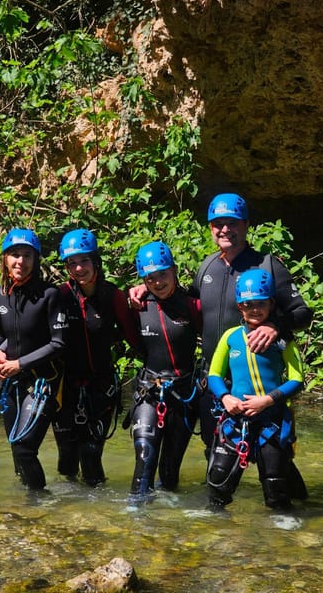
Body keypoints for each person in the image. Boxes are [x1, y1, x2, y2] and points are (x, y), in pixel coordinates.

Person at [129, 193, 313, 460]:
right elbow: (180, 301)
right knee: (215, 454)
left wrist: (275, 325)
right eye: (218, 223)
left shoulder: (268, 266)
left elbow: (303, 313)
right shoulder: (207, 266)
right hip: (214, 382)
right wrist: (144, 289)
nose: (225, 229)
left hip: (260, 383)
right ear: (210, 228)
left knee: (274, 460)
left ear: (246, 225)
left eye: (232, 222)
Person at [206, 268, 307, 510]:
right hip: (236, 418)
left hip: (271, 420)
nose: (255, 309)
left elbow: (297, 379)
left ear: (272, 303)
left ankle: (284, 525)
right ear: (240, 307)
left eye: (261, 303)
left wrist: (268, 401)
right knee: (218, 480)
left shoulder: (283, 340)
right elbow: (214, 375)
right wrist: (226, 397)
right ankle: (213, 525)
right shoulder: (230, 337)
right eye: (248, 304)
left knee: (275, 484)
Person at [53, 228, 140, 486]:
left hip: (101, 389)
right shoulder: (60, 296)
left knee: (91, 457)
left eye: (84, 261)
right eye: (72, 263)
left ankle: (96, 516)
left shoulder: (113, 296)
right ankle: (68, 516)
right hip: (65, 389)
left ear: (96, 261)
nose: (79, 268)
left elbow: (133, 337)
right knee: (66, 461)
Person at [0, 228, 68, 490]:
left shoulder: (49, 295)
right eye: (14, 255)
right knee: (15, 451)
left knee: (23, 448)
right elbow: (0, 332)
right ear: (5, 259)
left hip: (44, 381)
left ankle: (40, 507)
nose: (20, 261)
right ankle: (24, 515)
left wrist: (18, 363)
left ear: (35, 260)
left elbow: (58, 344)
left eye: (27, 255)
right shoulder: (0, 294)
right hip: (12, 383)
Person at [127, 241, 202, 502]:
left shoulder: (193, 305)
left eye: (162, 274)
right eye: (150, 278)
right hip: (149, 391)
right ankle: (135, 516)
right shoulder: (136, 306)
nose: (157, 282)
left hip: (183, 395)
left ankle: (166, 527)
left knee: (169, 473)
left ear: (174, 271)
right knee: (145, 456)